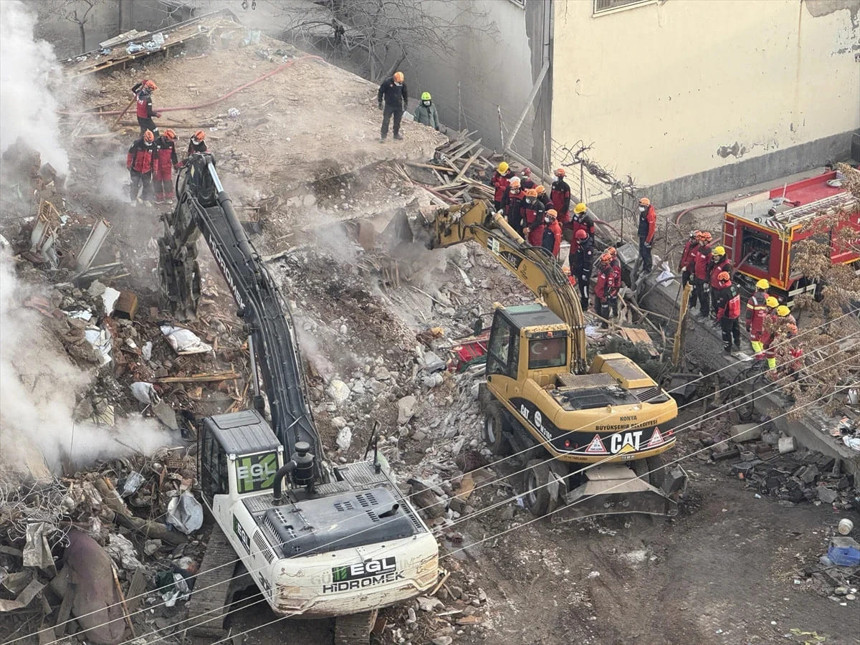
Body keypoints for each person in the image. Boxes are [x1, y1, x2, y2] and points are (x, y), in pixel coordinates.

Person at [714, 271, 741, 354]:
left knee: (726, 332)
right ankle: (738, 344)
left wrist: (718, 318)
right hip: (736, 313)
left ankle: (727, 349)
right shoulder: (735, 287)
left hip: (728, 315)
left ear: (722, 281)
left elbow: (722, 308)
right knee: (736, 329)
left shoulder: (724, 293)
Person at [377, 71, 408, 142]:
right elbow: (381, 91)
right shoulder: (387, 82)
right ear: (394, 79)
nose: (399, 83)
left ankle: (396, 134)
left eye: (400, 82)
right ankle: (383, 136)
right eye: (398, 82)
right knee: (386, 120)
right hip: (389, 105)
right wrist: (380, 101)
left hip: (398, 105)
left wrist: (406, 103)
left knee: (397, 121)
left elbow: (405, 93)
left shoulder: (402, 84)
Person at [127, 130, 156, 204]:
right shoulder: (137, 143)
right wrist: (128, 164)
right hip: (136, 169)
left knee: (147, 185)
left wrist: (155, 169)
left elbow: (155, 159)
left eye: (150, 142)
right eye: (148, 142)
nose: (149, 143)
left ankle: (145, 199)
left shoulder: (153, 146)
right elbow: (130, 154)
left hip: (147, 170)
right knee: (134, 185)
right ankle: (133, 200)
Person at [152, 129, 179, 204]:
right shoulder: (156, 142)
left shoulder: (171, 144)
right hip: (157, 167)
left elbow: (173, 154)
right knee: (157, 182)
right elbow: (153, 156)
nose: (172, 141)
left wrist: (176, 165)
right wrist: (153, 168)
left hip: (167, 166)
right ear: (166, 137)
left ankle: (169, 197)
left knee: (168, 182)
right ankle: (159, 198)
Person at [570, 229, 594, 312]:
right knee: (581, 287)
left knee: (584, 288)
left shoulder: (588, 248)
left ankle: (585, 305)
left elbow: (588, 262)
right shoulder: (583, 245)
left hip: (584, 273)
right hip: (580, 270)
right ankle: (582, 302)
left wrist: (585, 273)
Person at [745, 279, 770, 354]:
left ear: (757, 288)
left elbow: (749, 315)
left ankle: (759, 357)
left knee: (754, 342)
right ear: (765, 289)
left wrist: (747, 325)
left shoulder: (752, 300)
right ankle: (762, 354)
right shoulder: (768, 298)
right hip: (765, 325)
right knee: (761, 342)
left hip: (755, 326)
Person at [595, 253, 620, 326]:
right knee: (597, 307)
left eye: (603, 261)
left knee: (605, 309)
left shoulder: (609, 271)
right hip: (598, 291)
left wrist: (605, 295)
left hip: (603, 294)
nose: (601, 263)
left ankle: (605, 324)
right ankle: (599, 319)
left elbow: (610, 286)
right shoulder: (601, 268)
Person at [692, 231, 713, 318]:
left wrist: (707, 280)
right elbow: (696, 262)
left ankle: (705, 313)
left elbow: (710, 267)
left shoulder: (709, 251)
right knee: (699, 294)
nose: (700, 241)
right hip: (697, 276)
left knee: (704, 296)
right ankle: (702, 311)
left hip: (703, 278)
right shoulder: (700, 249)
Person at [707, 246, 732, 319]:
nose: (714, 257)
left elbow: (728, 279)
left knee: (720, 306)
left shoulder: (726, 266)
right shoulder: (716, 262)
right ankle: (715, 316)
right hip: (714, 287)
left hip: (720, 290)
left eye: (716, 256)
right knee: (714, 303)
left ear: (721, 256)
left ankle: (720, 320)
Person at [637, 197, 657, 273]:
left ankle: (648, 269)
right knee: (642, 251)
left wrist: (648, 241)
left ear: (646, 206)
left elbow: (651, 230)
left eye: (642, 206)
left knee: (646, 253)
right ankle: (644, 266)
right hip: (642, 234)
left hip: (647, 236)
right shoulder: (644, 212)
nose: (640, 208)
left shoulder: (650, 215)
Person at [550, 168, 572, 233]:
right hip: (554, 209)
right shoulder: (553, 185)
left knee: (564, 226)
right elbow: (551, 196)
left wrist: (563, 212)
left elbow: (567, 201)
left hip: (562, 211)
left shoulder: (566, 187)